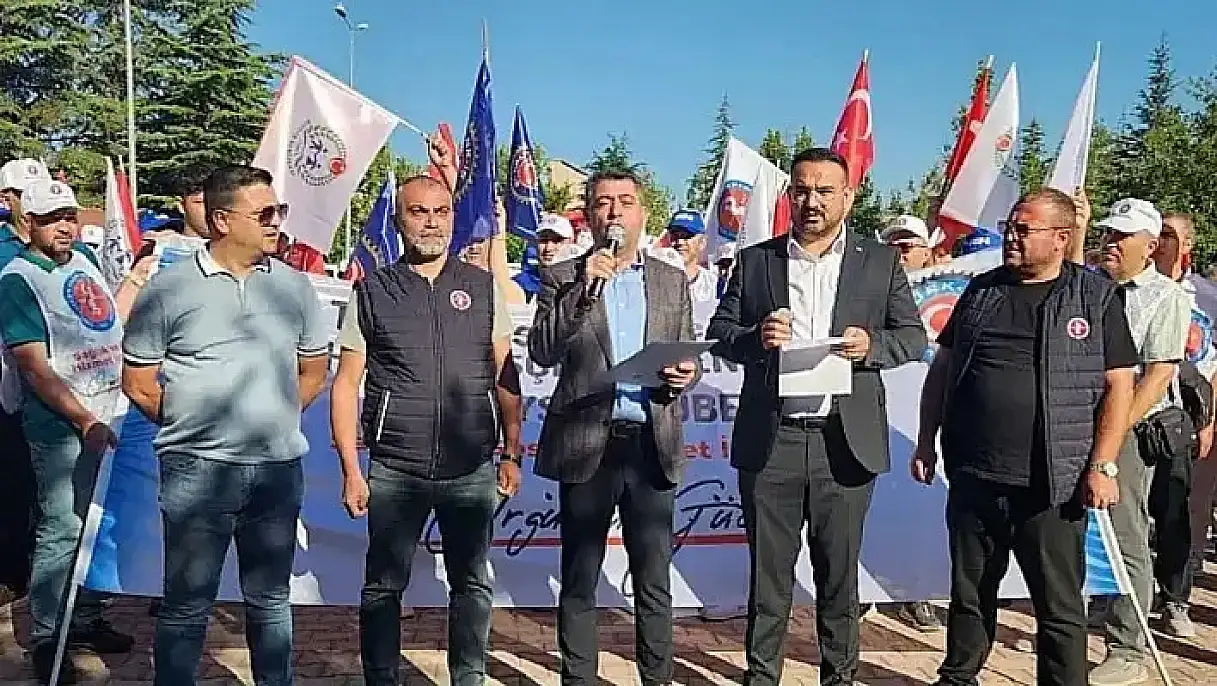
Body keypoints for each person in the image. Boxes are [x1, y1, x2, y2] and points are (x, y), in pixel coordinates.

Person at [707, 148, 927, 685]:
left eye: (825, 191)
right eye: (802, 190)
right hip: (772, 441)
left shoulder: (879, 262)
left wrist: (872, 346)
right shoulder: (756, 261)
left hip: (843, 444)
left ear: (847, 197)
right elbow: (720, 334)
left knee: (839, 581)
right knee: (769, 580)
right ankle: (762, 677)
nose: (812, 201)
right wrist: (756, 338)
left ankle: (840, 677)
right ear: (790, 195)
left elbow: (913, 337)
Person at [912, 188, 1138, 686]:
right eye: (1010, 227)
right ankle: (958, 677)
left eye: (1023, 229)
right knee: (970, 594)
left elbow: (1119, 384)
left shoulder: (1094, 297)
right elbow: (944, 367)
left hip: (1053, 483)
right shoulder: (982, 290)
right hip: (975, 474)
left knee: (1058, 604)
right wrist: (927, 438)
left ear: (1061, 238)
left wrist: (1103, 464)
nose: (1011, 238)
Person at [121, 165, 331, 686]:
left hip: (276, 470)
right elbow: (139, 384)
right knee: (186, 605)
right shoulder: (169, 288)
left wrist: (274, 416)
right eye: (265, 213)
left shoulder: (294, 287)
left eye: (279, 211)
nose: (276, 222)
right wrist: (193, 426)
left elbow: (314, 371)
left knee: (271, 601)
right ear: (221, 220)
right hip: (197, 472)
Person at [329, 175, 523, 686]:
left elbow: (506, 374)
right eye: (418, 212)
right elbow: (346, 384)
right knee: (382, 587)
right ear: (399, 220)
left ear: (453, 219)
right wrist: (351, 469)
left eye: (441, 211)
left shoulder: (481, 287)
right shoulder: (372, 291)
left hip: (471, 466)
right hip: (396, 467)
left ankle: (468, 678)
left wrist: (511, 451)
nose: (431, 222)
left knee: (472, 585)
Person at [528, 169, 699, 686]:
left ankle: (657, 677)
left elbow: (686, 352)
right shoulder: (563, 275)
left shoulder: (670, 280)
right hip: (587, 444)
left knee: (653, 579)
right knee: (580, 576)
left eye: (625, 201)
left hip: (650, 443)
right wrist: (584, 287)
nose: (615, 211)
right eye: (604, 202)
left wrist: (683, 374)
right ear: (590, 215)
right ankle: (578, 678)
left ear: (643, 213)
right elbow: (543, 350)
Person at [0, 179, 139, 683]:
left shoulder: (83, 260)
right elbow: (35, 367)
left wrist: (137, 280)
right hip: (61, 427)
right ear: (28, 223)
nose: (65, 226)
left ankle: (86, 618)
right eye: (52, 218)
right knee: (62, 528)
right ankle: (47, 635)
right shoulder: (17, 280)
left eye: (70, 216)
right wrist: (83, 420)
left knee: (100, 523)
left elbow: (108, 322)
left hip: (109, 411)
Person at [1090, 199, 1191, 686]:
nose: (1111, 241)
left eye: (1122, 235)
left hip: (1128, 430)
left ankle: (1127, 648)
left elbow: (1157, 376)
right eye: (1107, 232)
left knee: (1125, 535)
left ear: (1149, 246)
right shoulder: (1089, 286)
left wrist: (1111, 440)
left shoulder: (1165, 297)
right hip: (1078, 421)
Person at [1154, 211, 1217, 638]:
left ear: (1187, 244)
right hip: (1143, 413)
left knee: (1183, 508)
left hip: (1189, 416)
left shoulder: (1206, 297)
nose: (1162, 241)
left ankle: (1177, 599)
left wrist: (1208, 420)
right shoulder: (1130, 287)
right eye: (1157, 233)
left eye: (1170, 234)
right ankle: (1117, 598)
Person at [0, 157, 52, 607]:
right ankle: (12, 571)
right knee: (12, 478)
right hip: (7, 381)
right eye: (23, 194)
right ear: (7, 198)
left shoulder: (71, 252)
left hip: (57, 385)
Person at [664, 209, 718, 302]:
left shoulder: (714, 286)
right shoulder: (654, 281)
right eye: (674, 235)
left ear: (702, 242)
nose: (679, 242)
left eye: (686, 235)